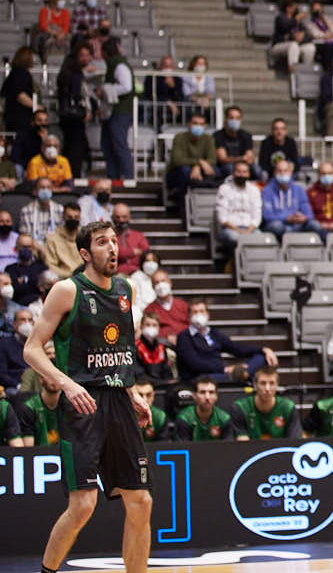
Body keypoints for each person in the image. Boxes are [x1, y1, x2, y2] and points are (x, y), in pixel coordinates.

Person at [22, 219, 153, 573]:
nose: (112, 247)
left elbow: (122, 351)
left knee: (141, 500)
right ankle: (47, 571)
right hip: (83, 403)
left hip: (119, 401)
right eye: (101, 242)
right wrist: (66, 383)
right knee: (83, 505)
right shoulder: (67, 290)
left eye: (114, 241)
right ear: (84, 252)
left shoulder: (126, 290)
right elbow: (32, 350)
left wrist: (134, 392)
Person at [175, 300, 278, 382]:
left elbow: (236, 348)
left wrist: (263, 349)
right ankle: (243, 375)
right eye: (195, 312)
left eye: (202, 311)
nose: (199, 315)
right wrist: (224, 369)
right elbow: (195, 364)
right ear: (188, 316)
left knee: (261, 358)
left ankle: (244, 373)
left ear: (208, 314)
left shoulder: (214, 333)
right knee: (218, 377)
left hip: (220, 374)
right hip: (199, 377)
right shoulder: (184, 337)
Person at [99, 37, 135, 180]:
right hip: (112, 111)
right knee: (108, 144)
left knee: (119, 144)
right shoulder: (113, 64)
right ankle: (113, 176)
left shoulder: (119, 65)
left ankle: (127, 177)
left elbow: (127, 87)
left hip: (120, 111)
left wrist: (105, 89)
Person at [261, 159, 324, 241]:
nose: (283, 173)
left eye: (285, 171)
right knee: (277, 226)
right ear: (274, 173)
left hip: (297, 225)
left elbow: (309, 214)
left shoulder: (299, 190)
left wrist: (303, 218)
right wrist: (287, 218)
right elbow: (267, 216)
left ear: (291, 173)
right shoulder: (267, 190)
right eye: (279, 171)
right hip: (279, 226)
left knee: (315, 225)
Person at [230, 366, 300, 440]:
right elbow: (242, 445)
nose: (267, 388)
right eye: (263, 383)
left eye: (272, 383)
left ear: (277, 385)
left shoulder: (288, 407)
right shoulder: (240, 407)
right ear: (255, 385)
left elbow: (294, 441)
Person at [214, 160, 263, 262]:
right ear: (233, 173)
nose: (241, 174)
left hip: (250, 229)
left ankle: (252, 265)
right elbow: (221, 217)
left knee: (261, 238)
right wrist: (238, 230)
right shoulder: (224, 189)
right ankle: (234, 263)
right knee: (234, 237)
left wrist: (248, 231)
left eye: (244, 172)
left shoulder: (254, 190)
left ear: (249, 174)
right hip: (229, 229)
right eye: (238, 171)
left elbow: (257, 215)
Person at [56, 44, 92, 178]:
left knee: (69, 148)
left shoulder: (65, 73)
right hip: (75, 118)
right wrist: (84, 110)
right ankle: (73, 179)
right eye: (82, 56)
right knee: (76, 151)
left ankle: (68, 176)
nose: (86, 59)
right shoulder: (76, 75)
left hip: (66, 117)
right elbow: (77, 96)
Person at [167, 113, 217, 204]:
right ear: (189, 124)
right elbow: (177, 160)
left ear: (205, 126)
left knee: (215, 169)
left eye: (201, 124)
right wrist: (199, 162)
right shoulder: (179, 137)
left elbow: (213, 159)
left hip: (199, 171)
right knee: (185, 170)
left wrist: (197, 166)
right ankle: (184, 202)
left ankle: (209, 200)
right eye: (195, 123)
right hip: (177, 172)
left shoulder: (208, 138)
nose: (198, 126)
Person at [173, 376, 232, 441]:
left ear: (216, 396)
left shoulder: (224, 419)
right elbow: (183, 449)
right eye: (202, 392)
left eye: (211, 392)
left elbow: (227, 448)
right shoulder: (184, 418)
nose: (207, 397)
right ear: (194, 396)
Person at [143, 270, 189, 344]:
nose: (161, 285)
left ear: (170, 283)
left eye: (163, 281)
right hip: (163, 345)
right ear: (152, 287)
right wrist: (166, 337)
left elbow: (191, 327)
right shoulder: (149, 309)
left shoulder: (183, 305)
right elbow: (149, 330)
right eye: (157, 282)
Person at [213, 105, 257, 179]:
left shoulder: (246, 135)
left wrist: (244, 161)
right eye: (231, 118)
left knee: (256, 170)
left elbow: (249, 157)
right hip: (224, 166)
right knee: (230, 168)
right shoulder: (218, 135)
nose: (234, 121)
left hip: (242, 165)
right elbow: (222, 159)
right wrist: (242, 158)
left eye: (237, 118)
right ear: (226, 119)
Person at [7, 233, 48, 306]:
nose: (26, 249)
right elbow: (15, 290)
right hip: (17, 305)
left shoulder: (42, 267)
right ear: (16, 248)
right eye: (23, 247)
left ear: (33, 248)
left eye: (29, 247)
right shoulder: (10, 269)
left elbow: (44, 289)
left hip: (38, 305)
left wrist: (23, 280)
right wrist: (34, 281)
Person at [43, 204, 83, 277]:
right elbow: (50, 265)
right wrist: (70, 275)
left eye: (76, 217)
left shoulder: (85, 236)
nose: (73, 219)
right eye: (69, 217)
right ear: (63, 217)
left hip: (85, 278)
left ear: (80, 218)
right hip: (64, 279)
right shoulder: (53, 238)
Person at [0, 306, 31, 393]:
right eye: (23, 320)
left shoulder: (37, 344)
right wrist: (17, 385)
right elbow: (2, 374)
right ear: (14, 324)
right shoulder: (4, 344)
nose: (27, 323)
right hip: (15, 386)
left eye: (29, 320)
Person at [133, 313, 171, 383]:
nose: (151, 328)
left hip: (162, 385)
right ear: (141, 327)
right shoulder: (136, 347)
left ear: (159, 328)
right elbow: (139, 374)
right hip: (144, 386)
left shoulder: (161, 347)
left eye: (154, 325)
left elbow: (167, 372)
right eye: (147, 325)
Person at [112, 204, 149, 275]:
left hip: (138, 273)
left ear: (129, 217)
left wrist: (122, 254)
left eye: (124, 217)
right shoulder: (109, 236)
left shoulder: (139, 236)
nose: (121, 220)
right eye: (117, 217)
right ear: (113, 217)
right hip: (115, 274)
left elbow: (146, 254)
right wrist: (133, 252)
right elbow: (114, 254)